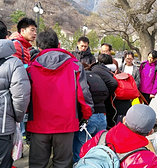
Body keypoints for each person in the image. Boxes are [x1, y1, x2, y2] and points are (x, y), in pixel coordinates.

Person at [26, 28, 93, 168]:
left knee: (37, 164)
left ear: (39, 47)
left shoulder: (31, 68)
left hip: (38, 123)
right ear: (58, 44)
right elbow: (83, 94)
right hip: (67, 124)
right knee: (62, 163)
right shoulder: (75, 66)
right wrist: (86, 115)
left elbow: (24, 96)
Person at [79, 104, 157, 168]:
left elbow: (83, 153)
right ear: (150, 132)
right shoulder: (148, 159)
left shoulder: (101, 136)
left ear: (124, 120)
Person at [0, 20, 30, 168]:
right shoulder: (14, 63)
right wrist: (17, 118)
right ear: (6, 37)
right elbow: (21, 97)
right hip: (4, 125)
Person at [73, 63, 109, 163]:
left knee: (81, 148)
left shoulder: (80, 78)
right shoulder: (97, 77)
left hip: (88, 117)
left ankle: (80, 164)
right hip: (102, 116)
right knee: (98, 146)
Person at [90, 54, 118, 129]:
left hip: (101, 102)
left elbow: (113, 83)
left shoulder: (96, 69)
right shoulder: (105, 70)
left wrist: (105, 94)